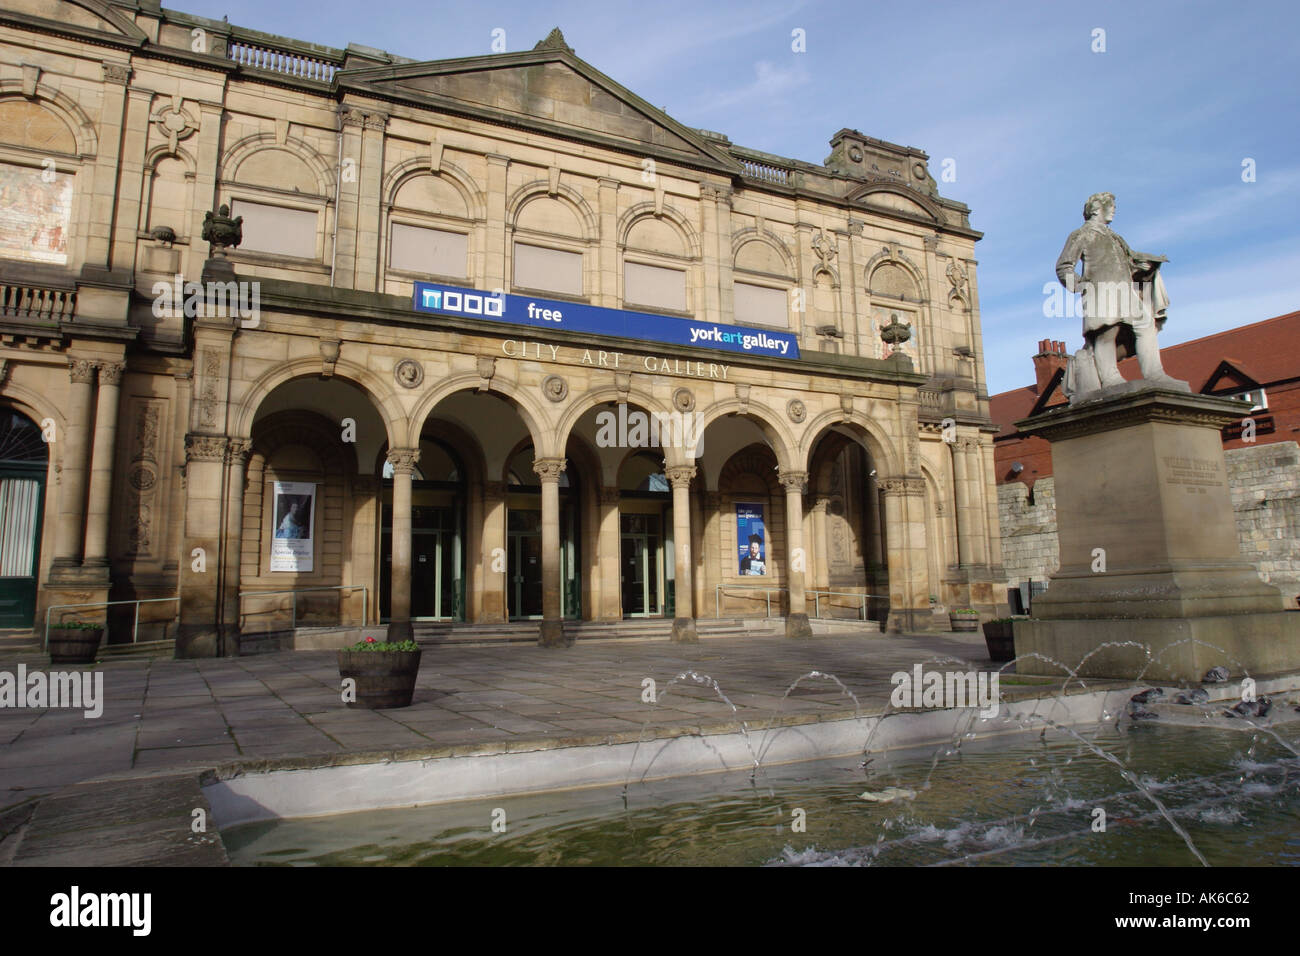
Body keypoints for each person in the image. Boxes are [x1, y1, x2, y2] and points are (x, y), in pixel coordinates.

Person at [1055, 192, 1182, 401]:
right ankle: (1110, 378)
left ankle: (1154, 374)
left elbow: (1130, 260)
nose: (1114, 209)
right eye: (1110, 206)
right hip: (1100, 291)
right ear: (1096, 208)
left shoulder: (1115, 237)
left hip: (1124, 291)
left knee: (1145, 324)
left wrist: (1144, 265)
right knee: (1106, 333)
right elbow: (1064, 265)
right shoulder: (1082, 234)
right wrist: (1081, 286)